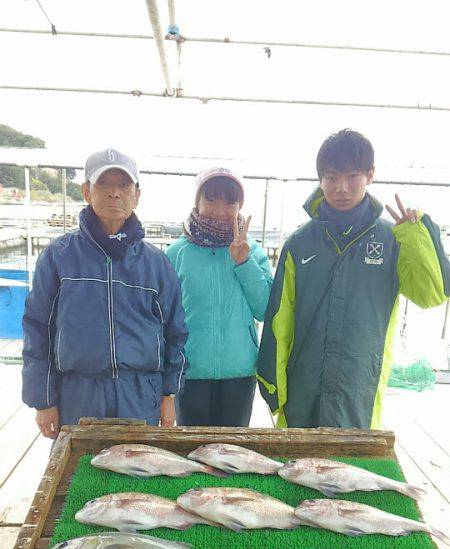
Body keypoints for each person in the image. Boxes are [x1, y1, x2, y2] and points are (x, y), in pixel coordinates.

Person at [257, 129, 450, 430]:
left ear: (371, 175)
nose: (341, 188)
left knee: (353, 468)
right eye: (332, 177)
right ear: (320, 179)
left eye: (353, 176)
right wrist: (272, 383)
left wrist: (415, 238)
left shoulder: (393, 239)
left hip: (360, 388)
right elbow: (280, 320)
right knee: (295, 468)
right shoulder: (299, 243)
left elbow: (431, 295)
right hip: (303, 386)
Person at [22, 148, 187, 439]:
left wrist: (169, 395)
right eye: (103, 184)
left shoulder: (157, 264)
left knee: (139, 476)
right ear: (87, 191)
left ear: (137, 194)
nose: (114, 194)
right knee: (80, 479)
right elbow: (38, 330)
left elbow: (175, 334)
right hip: (77, 395)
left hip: (141, 396)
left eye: (123, 185)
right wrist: (43, 400)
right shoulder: (57, 257)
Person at [166, 166, 273, 426]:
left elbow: (266, 309)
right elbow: (163, 319)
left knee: (233, 453)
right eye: (210, 199)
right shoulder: (176, 253)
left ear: (240, 206)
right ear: (197, 201)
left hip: (240, 372)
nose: (220, 209)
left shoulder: (253, 251)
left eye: (230, 201)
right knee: (193, 452)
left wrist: (244, 262)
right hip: (190, 372)